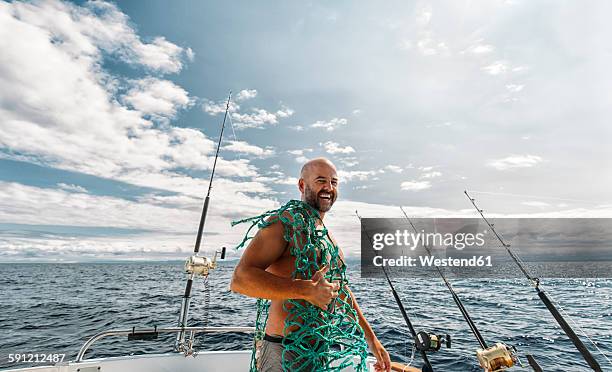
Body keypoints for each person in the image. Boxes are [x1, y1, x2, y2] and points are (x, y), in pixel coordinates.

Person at [230, 157, 391, 372]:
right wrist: (305, 290)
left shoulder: (330, 241)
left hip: (320, 350)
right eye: (321, 180)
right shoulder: (284, 223)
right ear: (302, 185)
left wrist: (372, 339)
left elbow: (340, 290)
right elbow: (240, 279)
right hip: (284, 351)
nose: (328, 187)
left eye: (334, 182)